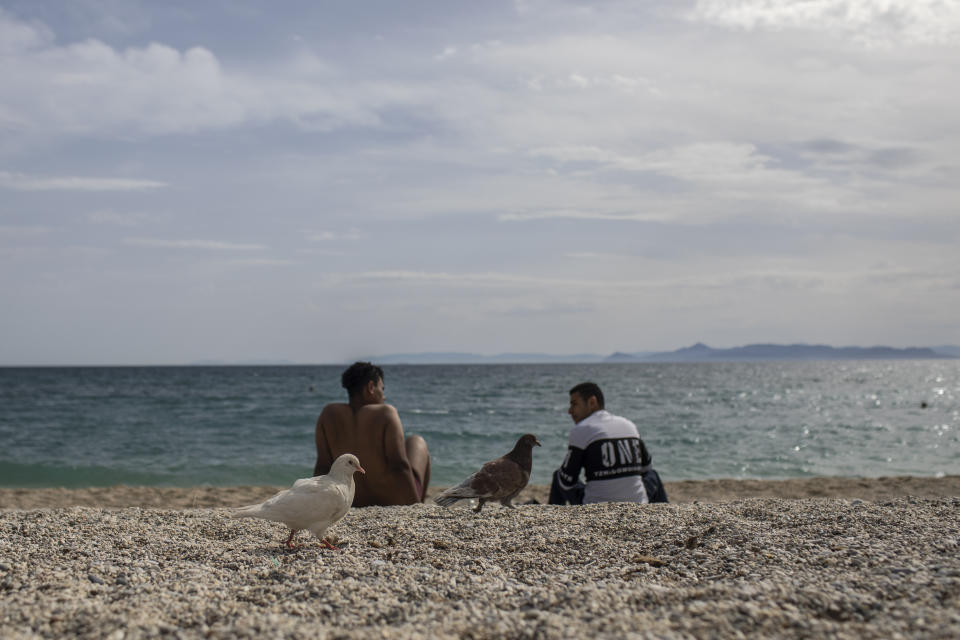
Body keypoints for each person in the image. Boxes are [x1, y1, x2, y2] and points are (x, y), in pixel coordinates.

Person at [314, 362, 431, 507]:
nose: (384, 396)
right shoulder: (385, 413)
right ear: (370, 387)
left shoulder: (328, 414)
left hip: (351, 502)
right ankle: (420, 503)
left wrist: (318, 506)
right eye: (382, 389)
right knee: (416, 441)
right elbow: (399, 466)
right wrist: (416, 507)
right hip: (390, 501)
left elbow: (322, 467)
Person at [549, 381, 668, 505]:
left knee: (558, 475)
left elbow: (566, 482)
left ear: (592, 402)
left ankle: (552, 520)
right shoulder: (628, 425)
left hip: (595, 506)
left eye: (574, 404)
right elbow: (646, 468)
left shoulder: (581, 429)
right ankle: (666, 517)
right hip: (637, 504)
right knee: (653, 475)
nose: (570, 411)